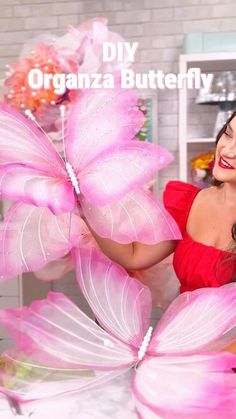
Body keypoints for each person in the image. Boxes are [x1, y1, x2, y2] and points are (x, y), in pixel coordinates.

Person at [83, 111, 236, 294]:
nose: (227, 150)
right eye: (228, 133)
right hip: (181, 321)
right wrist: (86, 204)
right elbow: (134, 256)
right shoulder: (189, 203)